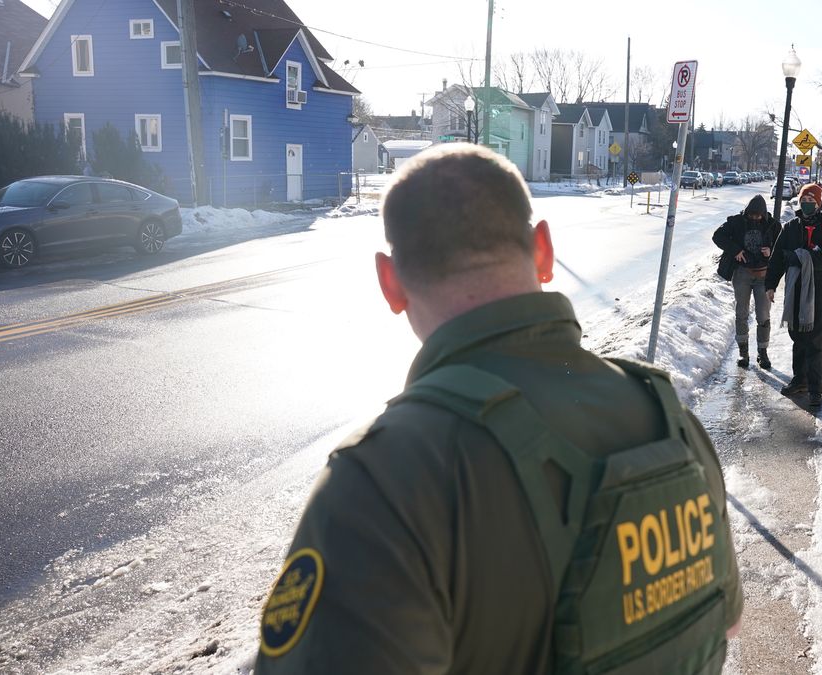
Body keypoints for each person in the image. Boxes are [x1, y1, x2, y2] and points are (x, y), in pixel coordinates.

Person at [255, 144, 744, 674]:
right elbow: (727, 622)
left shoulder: (383, 482)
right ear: (543, 250)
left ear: (390, 283)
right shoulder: (669, 419)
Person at [764, 183, 822, 409]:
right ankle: (799, 380)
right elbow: (778, 259)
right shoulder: (791, 227)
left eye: (811, 200)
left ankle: (815, 390)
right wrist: (770, 285)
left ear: (819, 202)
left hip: (819, 290)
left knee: (815, 340)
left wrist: (799, 257)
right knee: (797, 338)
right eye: (804, 200)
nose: (807, 204)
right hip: (795, 289)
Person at [713, 195, 781, 369]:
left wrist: (771, 251)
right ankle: (743, 353)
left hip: (764, 276)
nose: (755, 218)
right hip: (742, 273)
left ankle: (762, 352)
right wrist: (735, 250)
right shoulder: (736, 222)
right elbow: (718, 236)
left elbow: (783, 248)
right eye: (752, 215)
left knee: (763, 314)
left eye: (758, 216)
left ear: (764, 214)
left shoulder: (773, 225)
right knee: (741, 312)